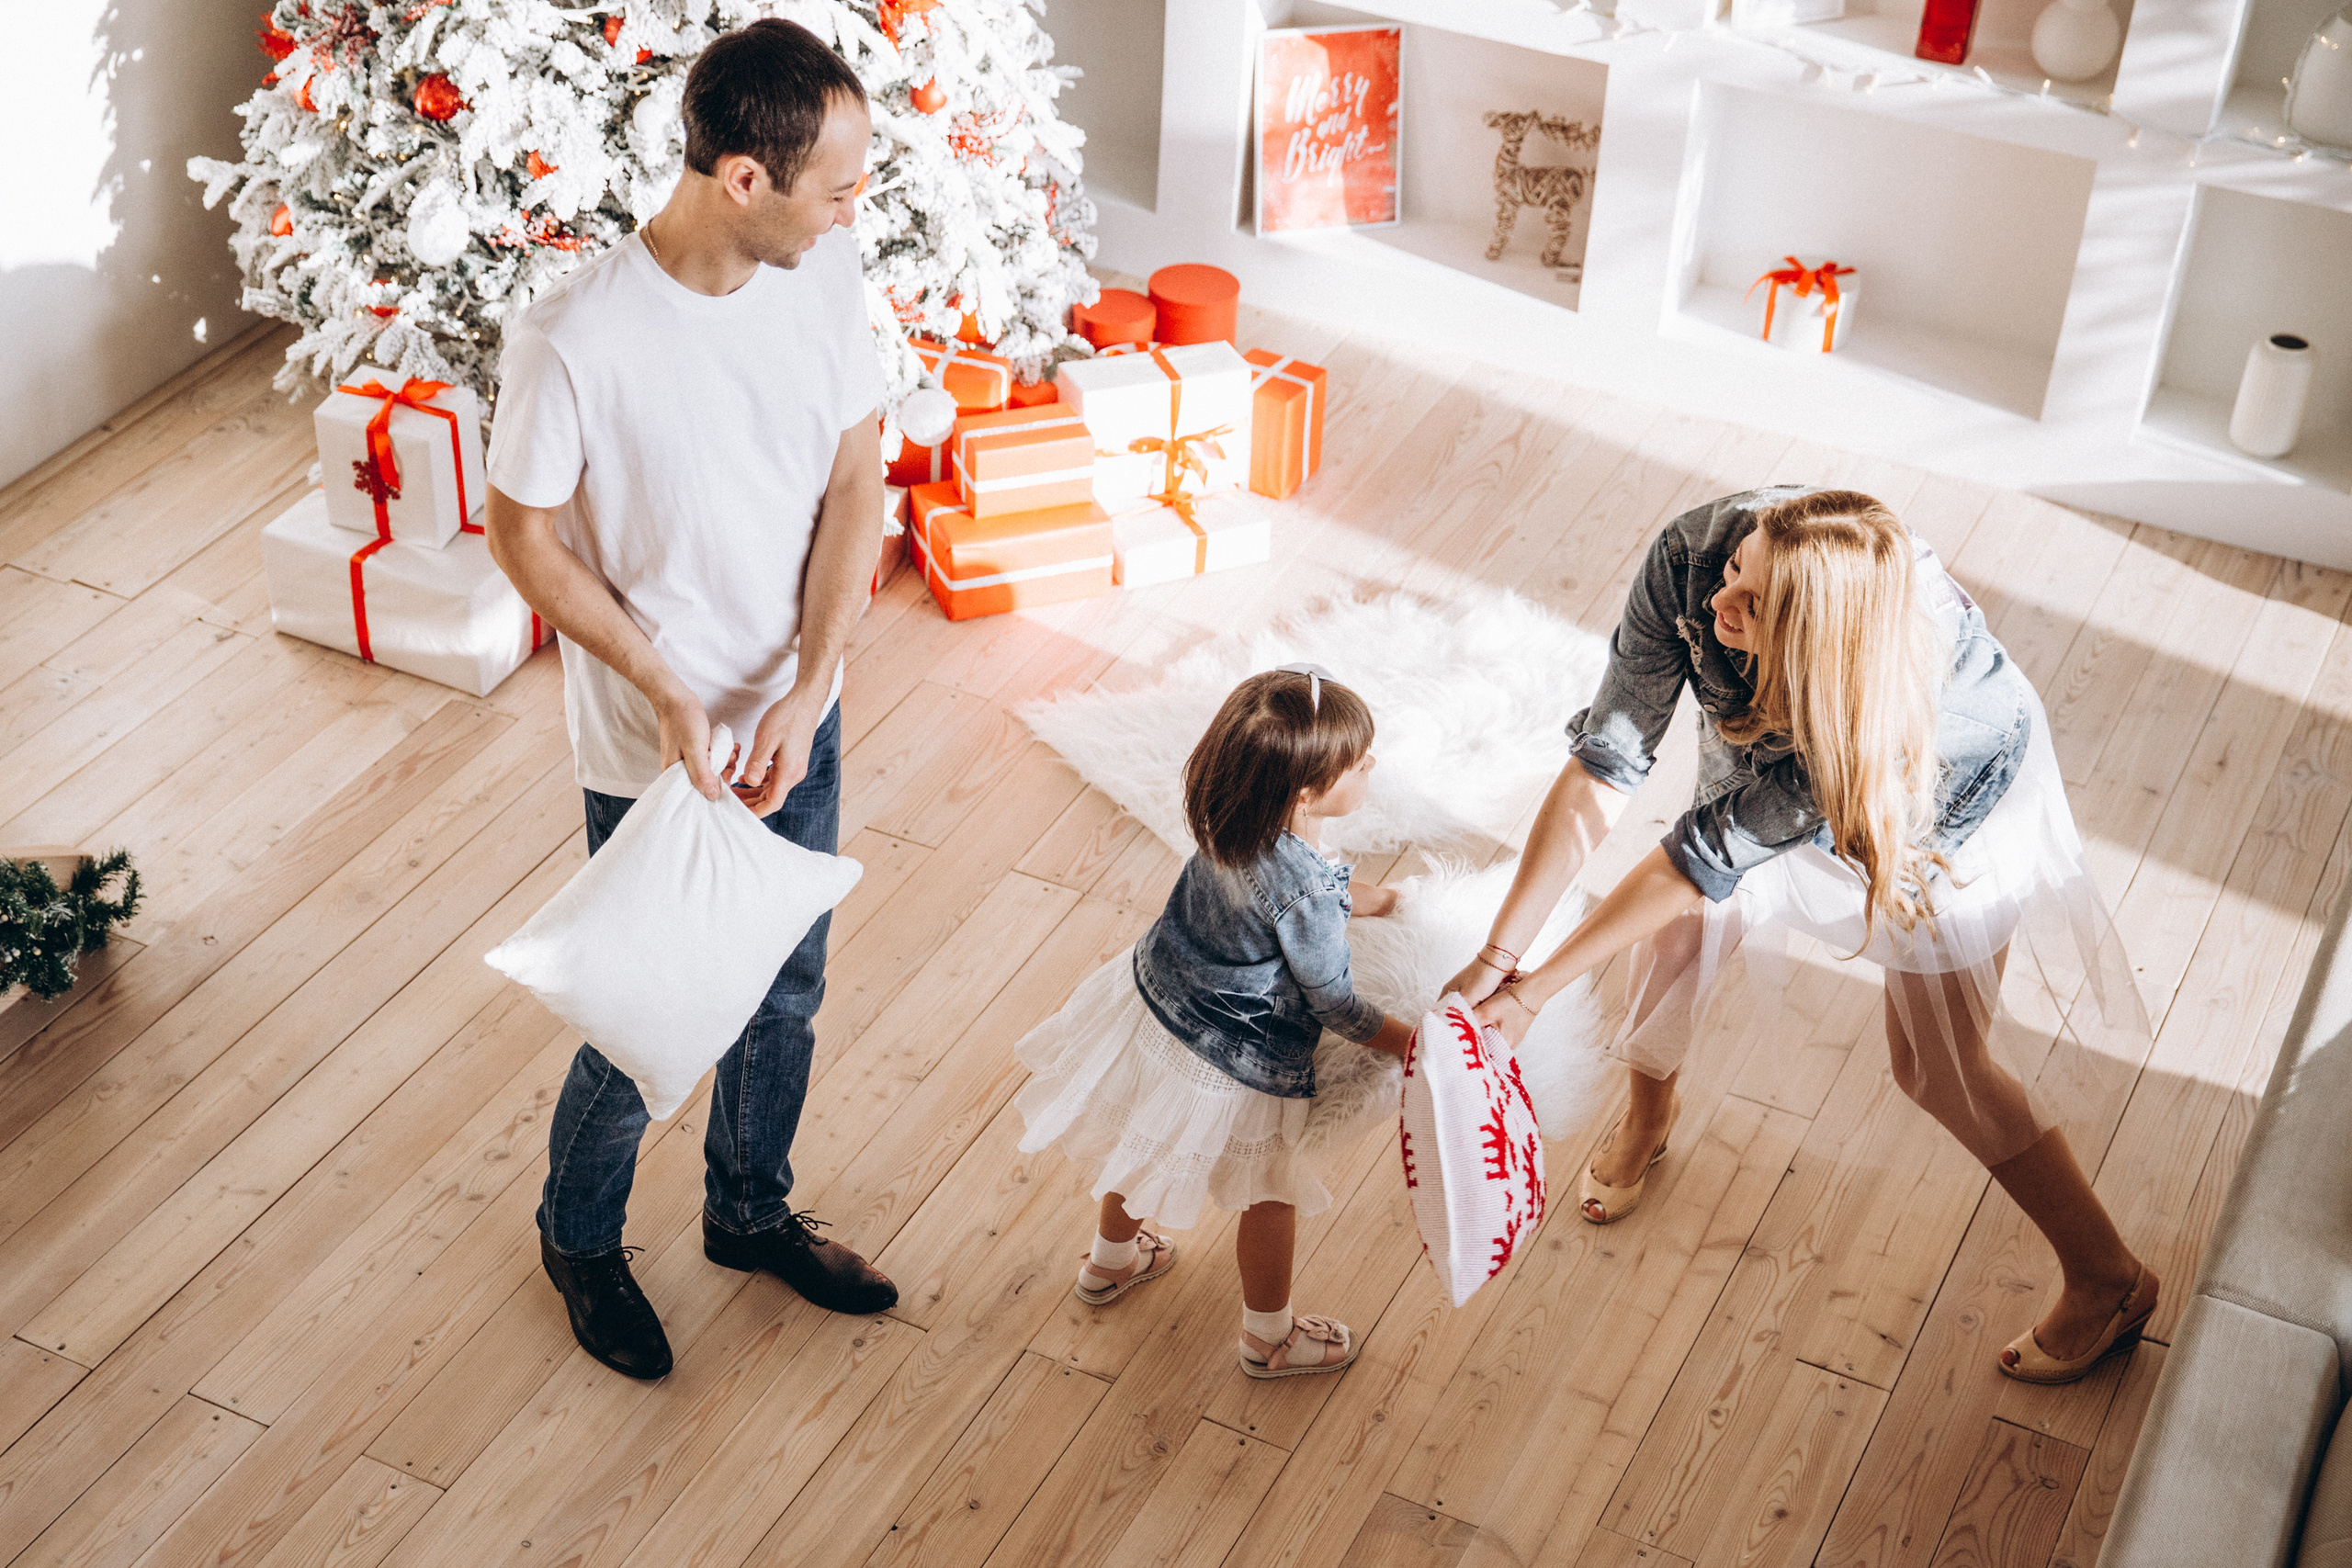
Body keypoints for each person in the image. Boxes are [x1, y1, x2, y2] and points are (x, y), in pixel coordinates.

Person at [1453, 488, 2156, 1386]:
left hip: (1929, 803)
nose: (1718, 603)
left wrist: (1534, 992)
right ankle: (1649, 1115)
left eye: (1751, 605)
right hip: (1786, 735)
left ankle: (2109, 1276)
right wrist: (1500, 957)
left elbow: (1700, 857)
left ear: (1814, 645)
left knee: (1936, 1067)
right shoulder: (1695, 557)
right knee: (1679, 934)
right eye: (1735, 570)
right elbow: (1606, 761)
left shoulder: (1887, 721)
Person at [483, 18, 889, 1381]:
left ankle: (747, 1208)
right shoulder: (574, 339)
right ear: (743, 178)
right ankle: (579, 1237)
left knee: (785, 984)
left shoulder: (825, 275)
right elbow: (523, 537)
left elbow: (854, 481)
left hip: (791, 712)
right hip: (657, 742)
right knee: (652, 1006)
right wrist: (665, 687)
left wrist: (810, 685)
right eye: (836, 187)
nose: (853, 211)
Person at [1013, 666, 1418, 1378]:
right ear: (1306, 791)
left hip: (1156, 1007)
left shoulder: (1231, 819)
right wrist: (1415, 1042)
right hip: (1237, 1055)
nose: (1372, 765)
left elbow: (1307, 887)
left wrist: (1376, 899)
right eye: (1358, 762)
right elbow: (1335, 1002)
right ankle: (1269, 1338)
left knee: (1141, 1139)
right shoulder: (1306, 893)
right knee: (1271, 1192)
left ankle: (1111, 1261)